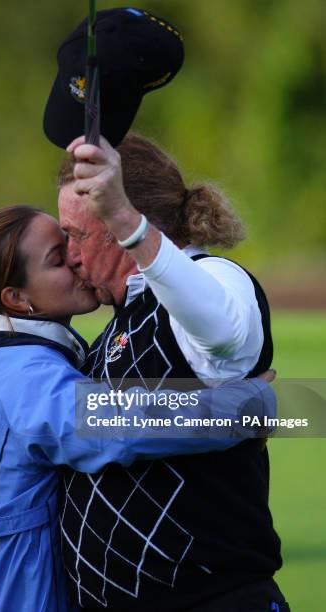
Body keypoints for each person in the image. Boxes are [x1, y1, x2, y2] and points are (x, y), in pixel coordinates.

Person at [0, 206, 275, 612]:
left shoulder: (8, 356)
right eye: (58, 258)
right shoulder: (21, 373)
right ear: (17, 298)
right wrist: (241, 409)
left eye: (72, 240)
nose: (77, 258)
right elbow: (115, 425)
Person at [57, 133, 290, 610]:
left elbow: (223, 332)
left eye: (78, 234)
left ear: (129, 222)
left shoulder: (216, 277)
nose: (71, 254)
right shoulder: (119, 321)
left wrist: (125, 219)